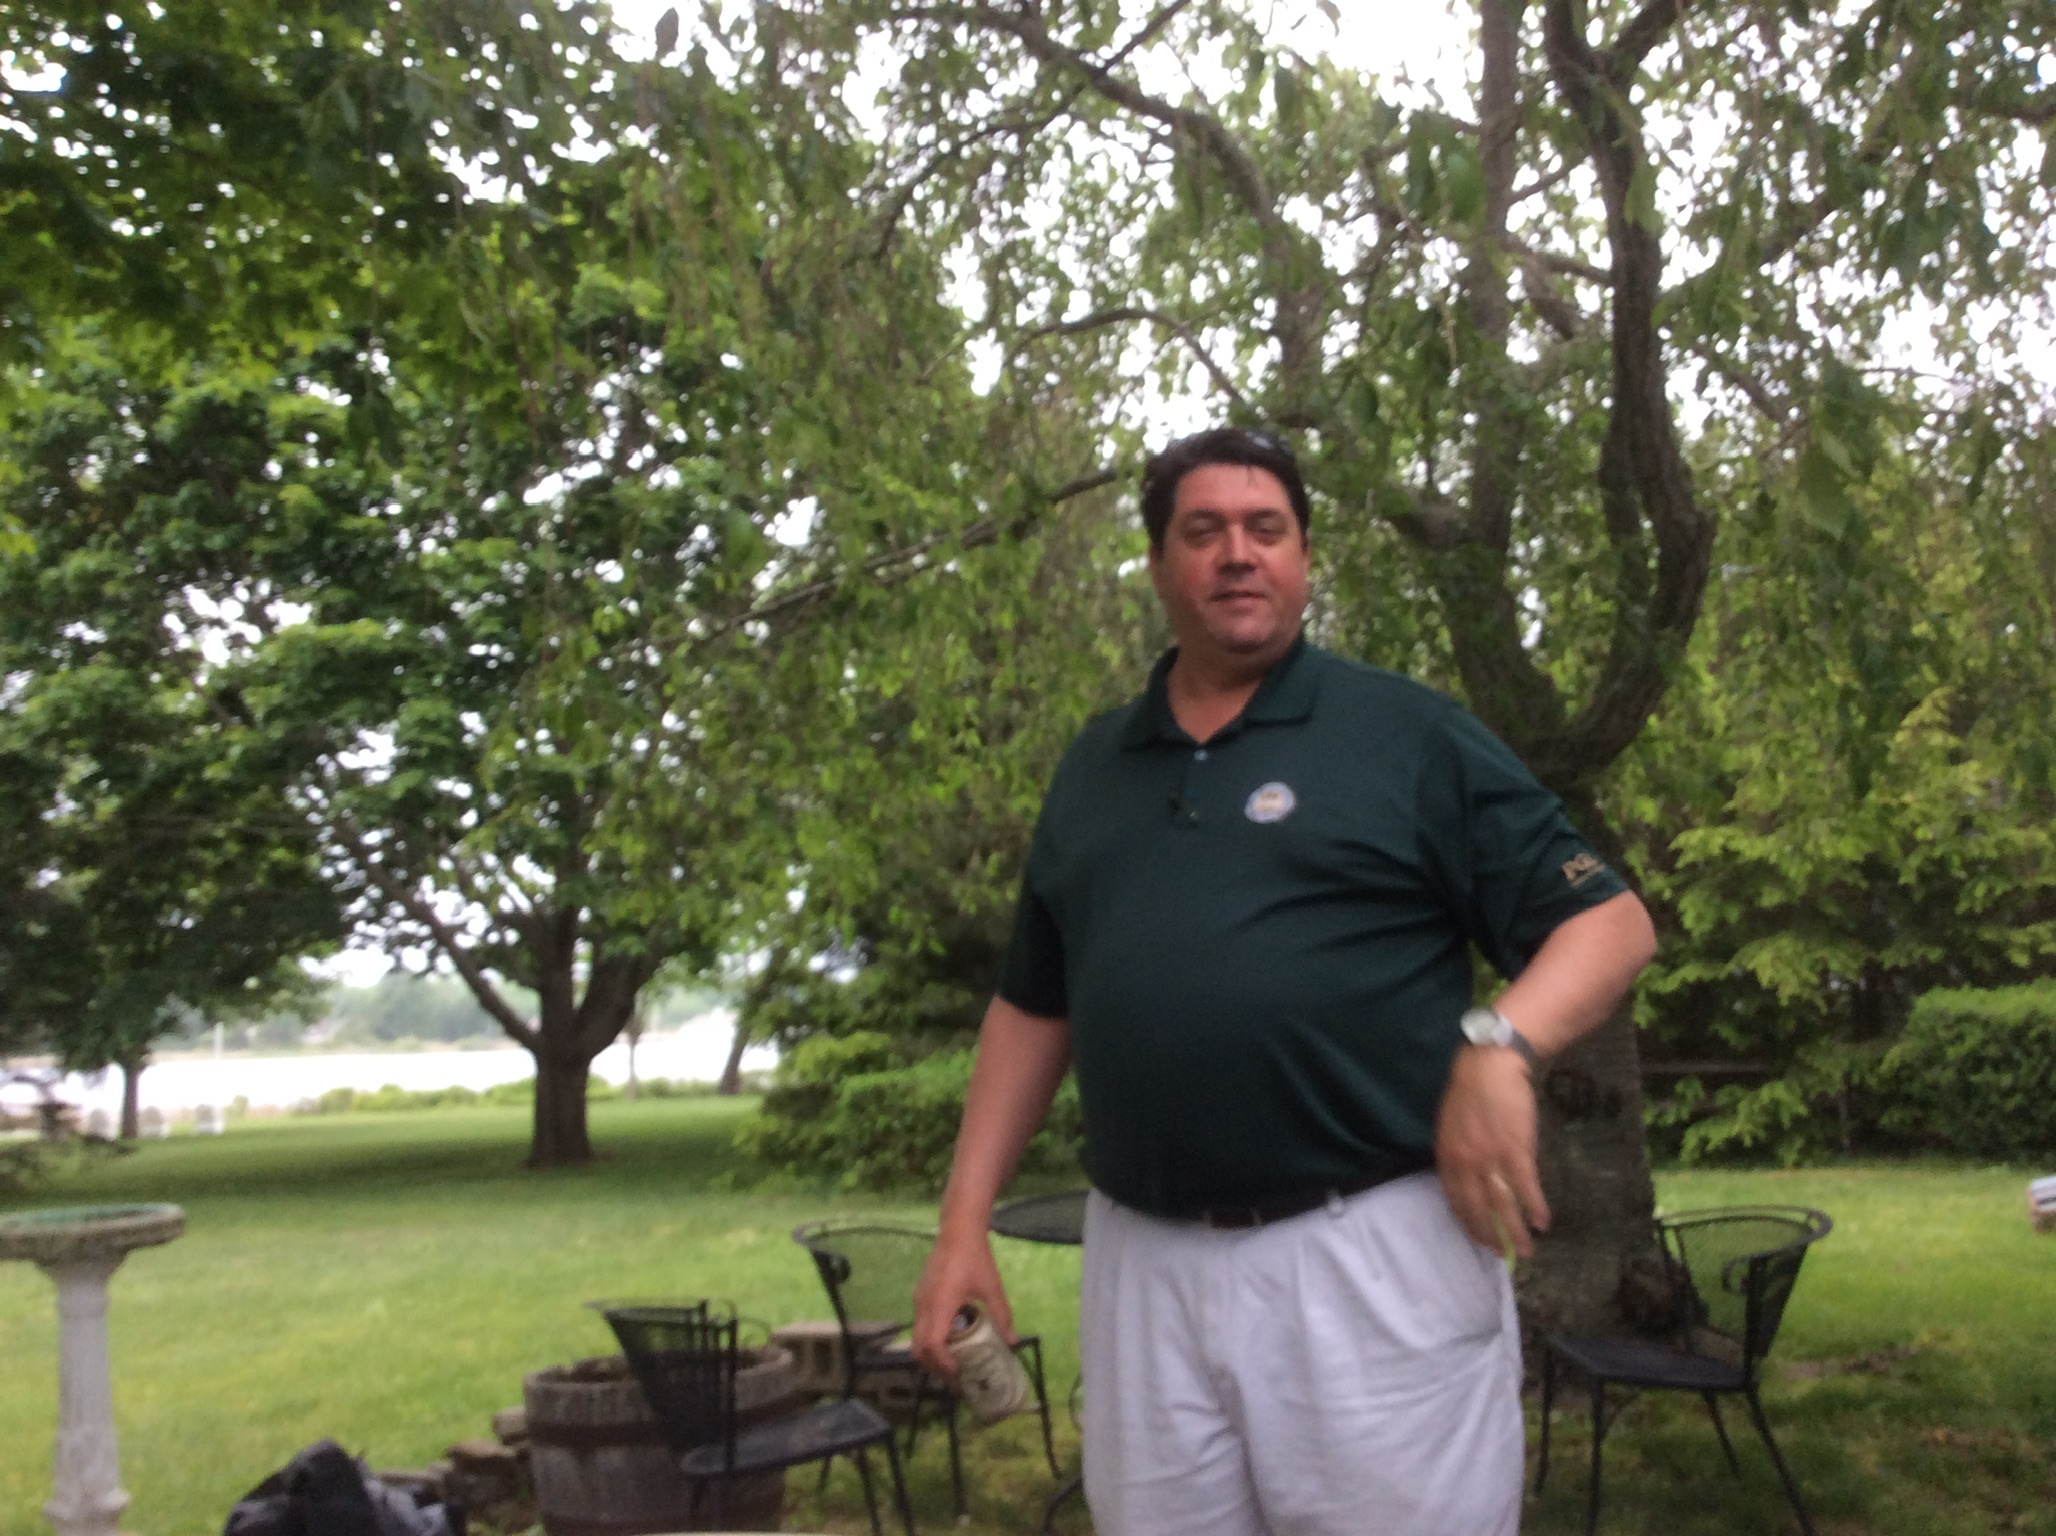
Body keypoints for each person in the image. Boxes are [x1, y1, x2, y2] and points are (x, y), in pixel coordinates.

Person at [911, 427, 1656, 1536]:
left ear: (1306, 560)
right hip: (1142, 1267)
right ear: (1161, 565)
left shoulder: (1404, 736)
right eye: (1202, 531)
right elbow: (1034, 1003)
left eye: (1267, 530)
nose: (1237, 554)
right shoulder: (1093, 768)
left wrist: (1500, 1045)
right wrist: (962, 1223)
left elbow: (1610, 920)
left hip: (1367, 1258)